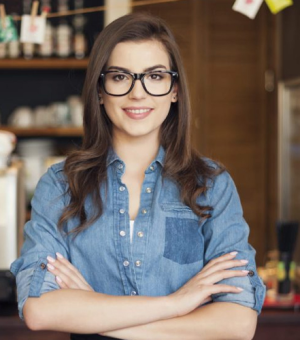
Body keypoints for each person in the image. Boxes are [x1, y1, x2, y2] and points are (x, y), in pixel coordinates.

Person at [11, 12, 266, 340]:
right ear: (100, 90)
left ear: (174, 90)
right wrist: (177, 303)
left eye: (155, 76)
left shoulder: (212, 186)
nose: (138, 93)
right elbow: (40, 309)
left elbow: (238, 322)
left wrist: (94, 311)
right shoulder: (61, 185)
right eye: (120, 77)